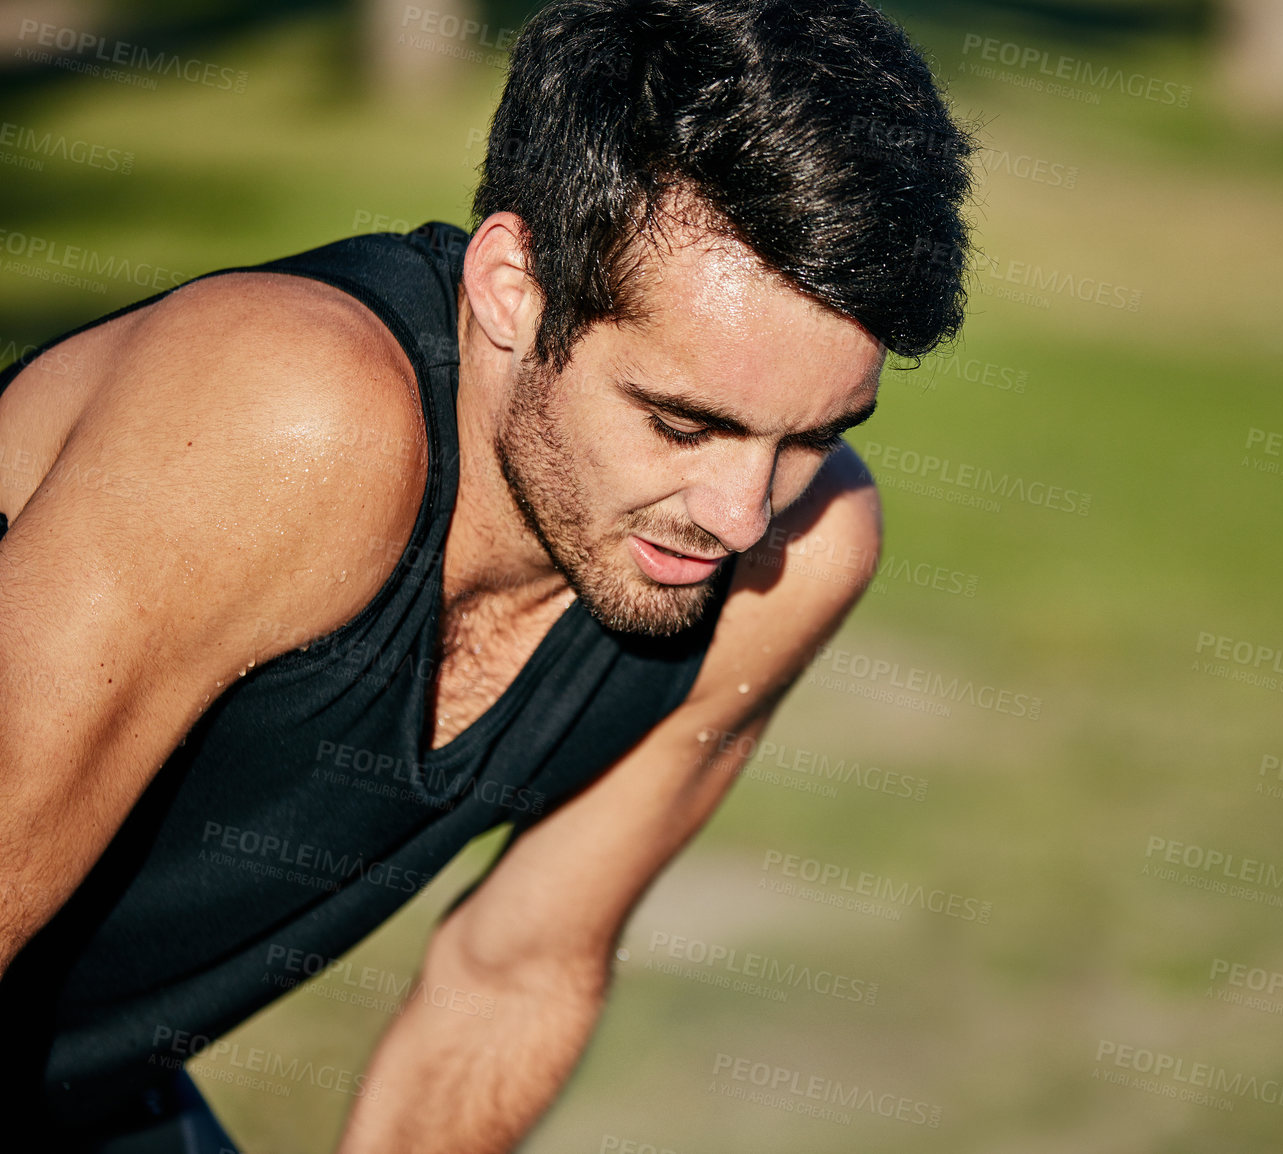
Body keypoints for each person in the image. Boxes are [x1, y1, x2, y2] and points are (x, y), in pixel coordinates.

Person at [0, 0, 973, 1148]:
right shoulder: (287, 414)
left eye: (810, 436)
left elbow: (517, 968)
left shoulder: (795, 559)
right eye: (682, 421)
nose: (742, 513)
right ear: (512, 287)